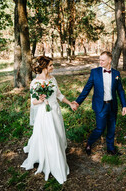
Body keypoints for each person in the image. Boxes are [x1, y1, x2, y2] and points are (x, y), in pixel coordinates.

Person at [21, 56, 77, 184]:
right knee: (49, 137)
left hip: (55, 111)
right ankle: (53, 162)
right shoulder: (35, 83)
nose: (52, 67)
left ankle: (57, 155)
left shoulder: (53, 79)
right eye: (51, 65)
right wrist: (40, 100)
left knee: (58, 134)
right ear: (44, 67)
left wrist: (70, 104)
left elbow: (58, 94)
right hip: (44, 113)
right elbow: (33, 102)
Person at [73, 51, 126, 156]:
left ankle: (110, 149)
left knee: (112, 127)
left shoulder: (116, 74)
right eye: (100, 60)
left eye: (103, 60)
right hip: (100, 106)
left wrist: (124, 105)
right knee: (100, 128)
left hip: (112, 105)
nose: (100, 62)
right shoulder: (95, 72)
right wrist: (78, 102)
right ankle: (89, 143)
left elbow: (120, 90)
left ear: (109, 60)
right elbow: (87, 89)